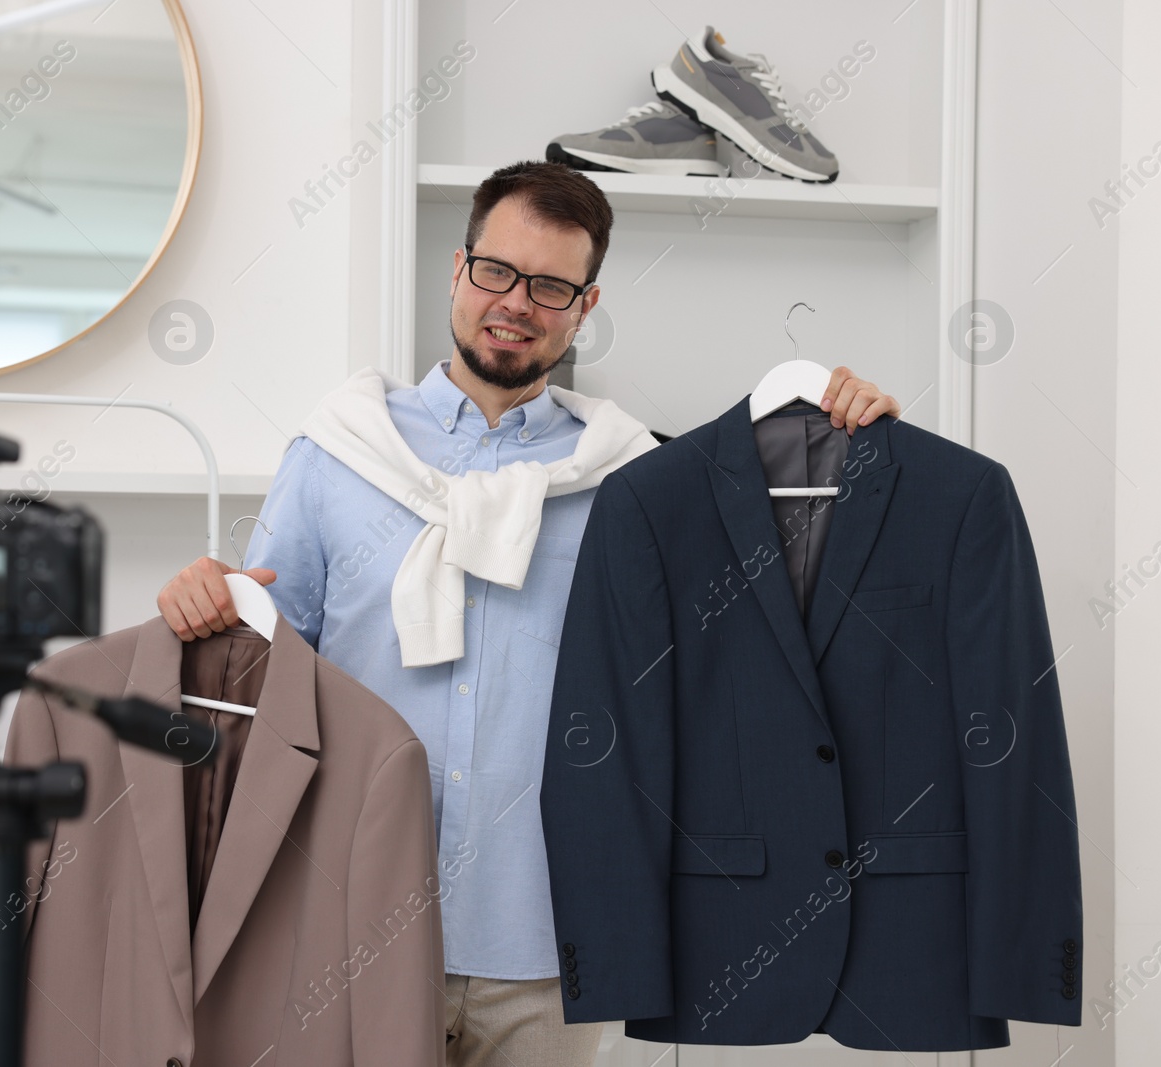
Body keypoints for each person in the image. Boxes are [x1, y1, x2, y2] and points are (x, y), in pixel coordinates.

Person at [157, 160, 901, 1066]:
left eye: (551, 285)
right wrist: (204, 601)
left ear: (585, 307)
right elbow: (263, 675)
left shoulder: (633, 478)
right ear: (460, 269)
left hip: (547, 943)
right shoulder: (339, 453)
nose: (517, 302)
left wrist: (847, 444)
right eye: (498, 271)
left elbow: (768, 635)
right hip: (353, 925)